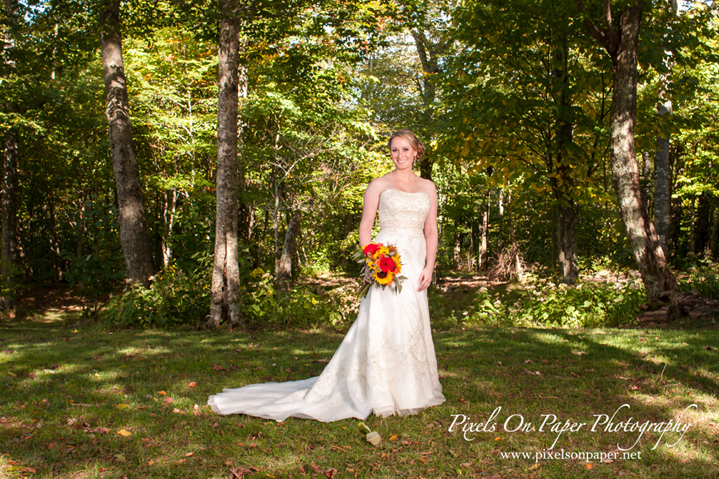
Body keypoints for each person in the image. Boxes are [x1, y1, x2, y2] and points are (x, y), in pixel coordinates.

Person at [208, 129, 445, 422]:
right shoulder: (379, 185)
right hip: (389, 260)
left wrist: (429, 266)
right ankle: (380, 388)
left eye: (405, 150)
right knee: (385, 321)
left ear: (416, 151)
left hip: (416, 259)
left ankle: (411, 388)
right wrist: (374, 260)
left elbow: (431, 229)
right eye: (395, 150)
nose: (400, 156)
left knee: (411, 319)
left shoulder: (428, 187)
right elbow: (365, 226)